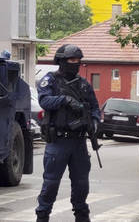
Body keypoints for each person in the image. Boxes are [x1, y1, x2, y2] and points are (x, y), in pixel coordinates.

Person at [35, 44, 100, 222]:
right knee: (50, 184)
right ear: (62, 61)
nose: (76, 63)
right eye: (72, 60)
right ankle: (42, 217)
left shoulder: (84, 85)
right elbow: (44, 100)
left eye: (78, 61)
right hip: (58, 141)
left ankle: (82, 217)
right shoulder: (51, 80)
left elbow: (95, 108)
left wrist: (94, 122)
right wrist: (65, 100)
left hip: (78, 142)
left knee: (81, 186)